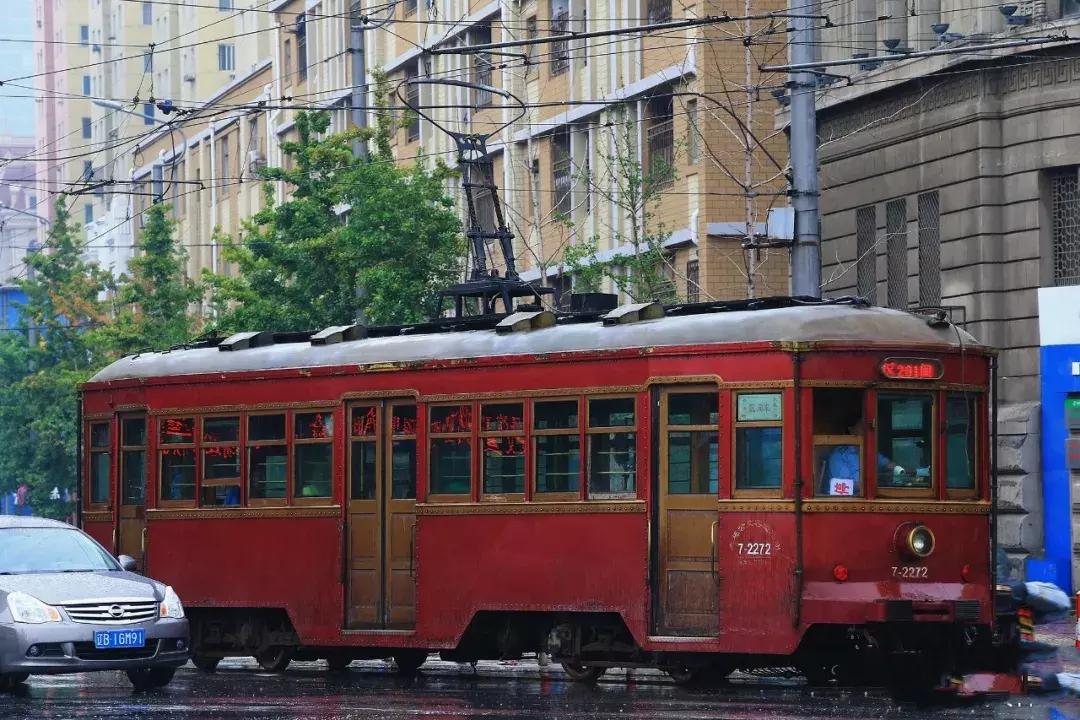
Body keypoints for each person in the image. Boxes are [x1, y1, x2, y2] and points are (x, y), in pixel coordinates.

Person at [825, 417, 904, 496]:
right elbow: (844, 485)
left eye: (867, 427)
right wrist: (875, 483)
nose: (866, 430)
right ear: (851, 429)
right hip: (847, 502)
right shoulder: (838, 456)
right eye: (862, 426)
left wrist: (901, 470)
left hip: (869, 496)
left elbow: (888, 464)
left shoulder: (869, 451)